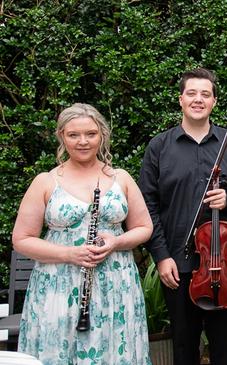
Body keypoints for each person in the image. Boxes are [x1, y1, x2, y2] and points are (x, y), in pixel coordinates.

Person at [12, 103, 153, 363]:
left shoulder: (120, 177)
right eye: (73, 135)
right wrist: (69, 253)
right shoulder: (45, 181)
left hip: (115, 283)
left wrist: (117, 241)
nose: (83, 141)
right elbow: (21, 239)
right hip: (59, 284)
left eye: (90, 134)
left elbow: (145, 228)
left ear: (102, 135)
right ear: (61, 137)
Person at [138, 67, 227, 365]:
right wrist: (161, 256)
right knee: (183, 346)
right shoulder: (160, 147)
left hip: (224, 264)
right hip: (178, 263)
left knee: (224, 348)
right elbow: (147, 205)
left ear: (214, 101)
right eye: (192, 93)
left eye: (205, 94)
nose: (198, 99)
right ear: (180, 99)